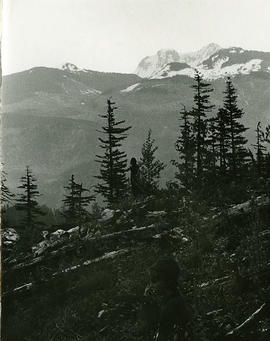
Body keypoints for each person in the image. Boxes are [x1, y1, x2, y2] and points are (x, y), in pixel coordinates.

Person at [142, 257, 193, 341]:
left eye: (155, 280)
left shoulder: (172, 305)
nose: (150, 285)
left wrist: (147, 303)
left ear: (169, 281)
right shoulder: (173, 300)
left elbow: (159, 334)